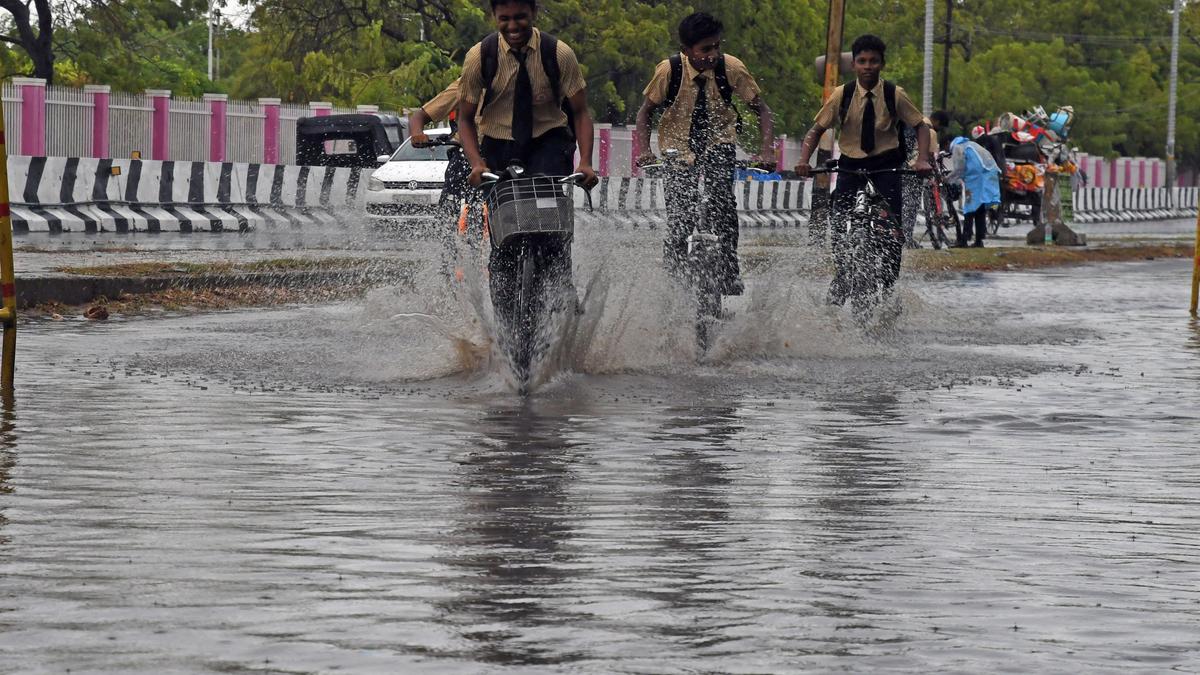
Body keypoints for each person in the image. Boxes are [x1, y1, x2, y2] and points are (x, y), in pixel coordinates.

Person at [455, 0, 598, 325]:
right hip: (499, 148)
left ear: (533, 13)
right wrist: (476, 163)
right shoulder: (481, 57)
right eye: (504, 18)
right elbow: (464, 119)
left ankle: (561, 293)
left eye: (520, 17)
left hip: (548, 145)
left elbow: (580, 112)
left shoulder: (558, 53)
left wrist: (586, 162)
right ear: (495, 17)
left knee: (550, 238)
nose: (513, 25)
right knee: (504, 244)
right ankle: (507, 326)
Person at [634, 11, 775, 296]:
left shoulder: (731, 67)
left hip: (719, 143)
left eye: (716, 47)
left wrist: (766, 150)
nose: (712, 54)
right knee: (680, 218)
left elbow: (762, 110)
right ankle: (672, 277)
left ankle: (728, 264)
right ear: (687, 51)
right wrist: (645, 151)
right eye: (705, 49)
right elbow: (645, 113)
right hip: (677, 147)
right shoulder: (669, 70)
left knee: (723, 203)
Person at [794, 34, 930, 306]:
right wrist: (804, 160)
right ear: (854, 64)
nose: (868, 66)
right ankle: (843, 271)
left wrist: (922, 159)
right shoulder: (841, 95)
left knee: (891, 227)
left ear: (882, 64)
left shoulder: (894, 94)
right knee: (839, 216)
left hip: (886, 164)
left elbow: (920, 126)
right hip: (850, 163)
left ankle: (889, 279)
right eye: (862, 61)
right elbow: (816, 130)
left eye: (873, 61)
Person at [408, 78, 473, 215]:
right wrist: (417, 133)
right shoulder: (465, 84)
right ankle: (447, 223)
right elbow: (419, 116)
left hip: (503, 153)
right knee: (450, 200)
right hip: (465, 155)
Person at [947, 135, 1001, 247]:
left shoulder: (957, 147)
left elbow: (959, 169)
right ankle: (978, 240)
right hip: (988, 175)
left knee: (969, 208)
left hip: (976, 179)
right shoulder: (970, 144)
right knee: (980, 208)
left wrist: (948, 179)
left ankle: (964, 240)